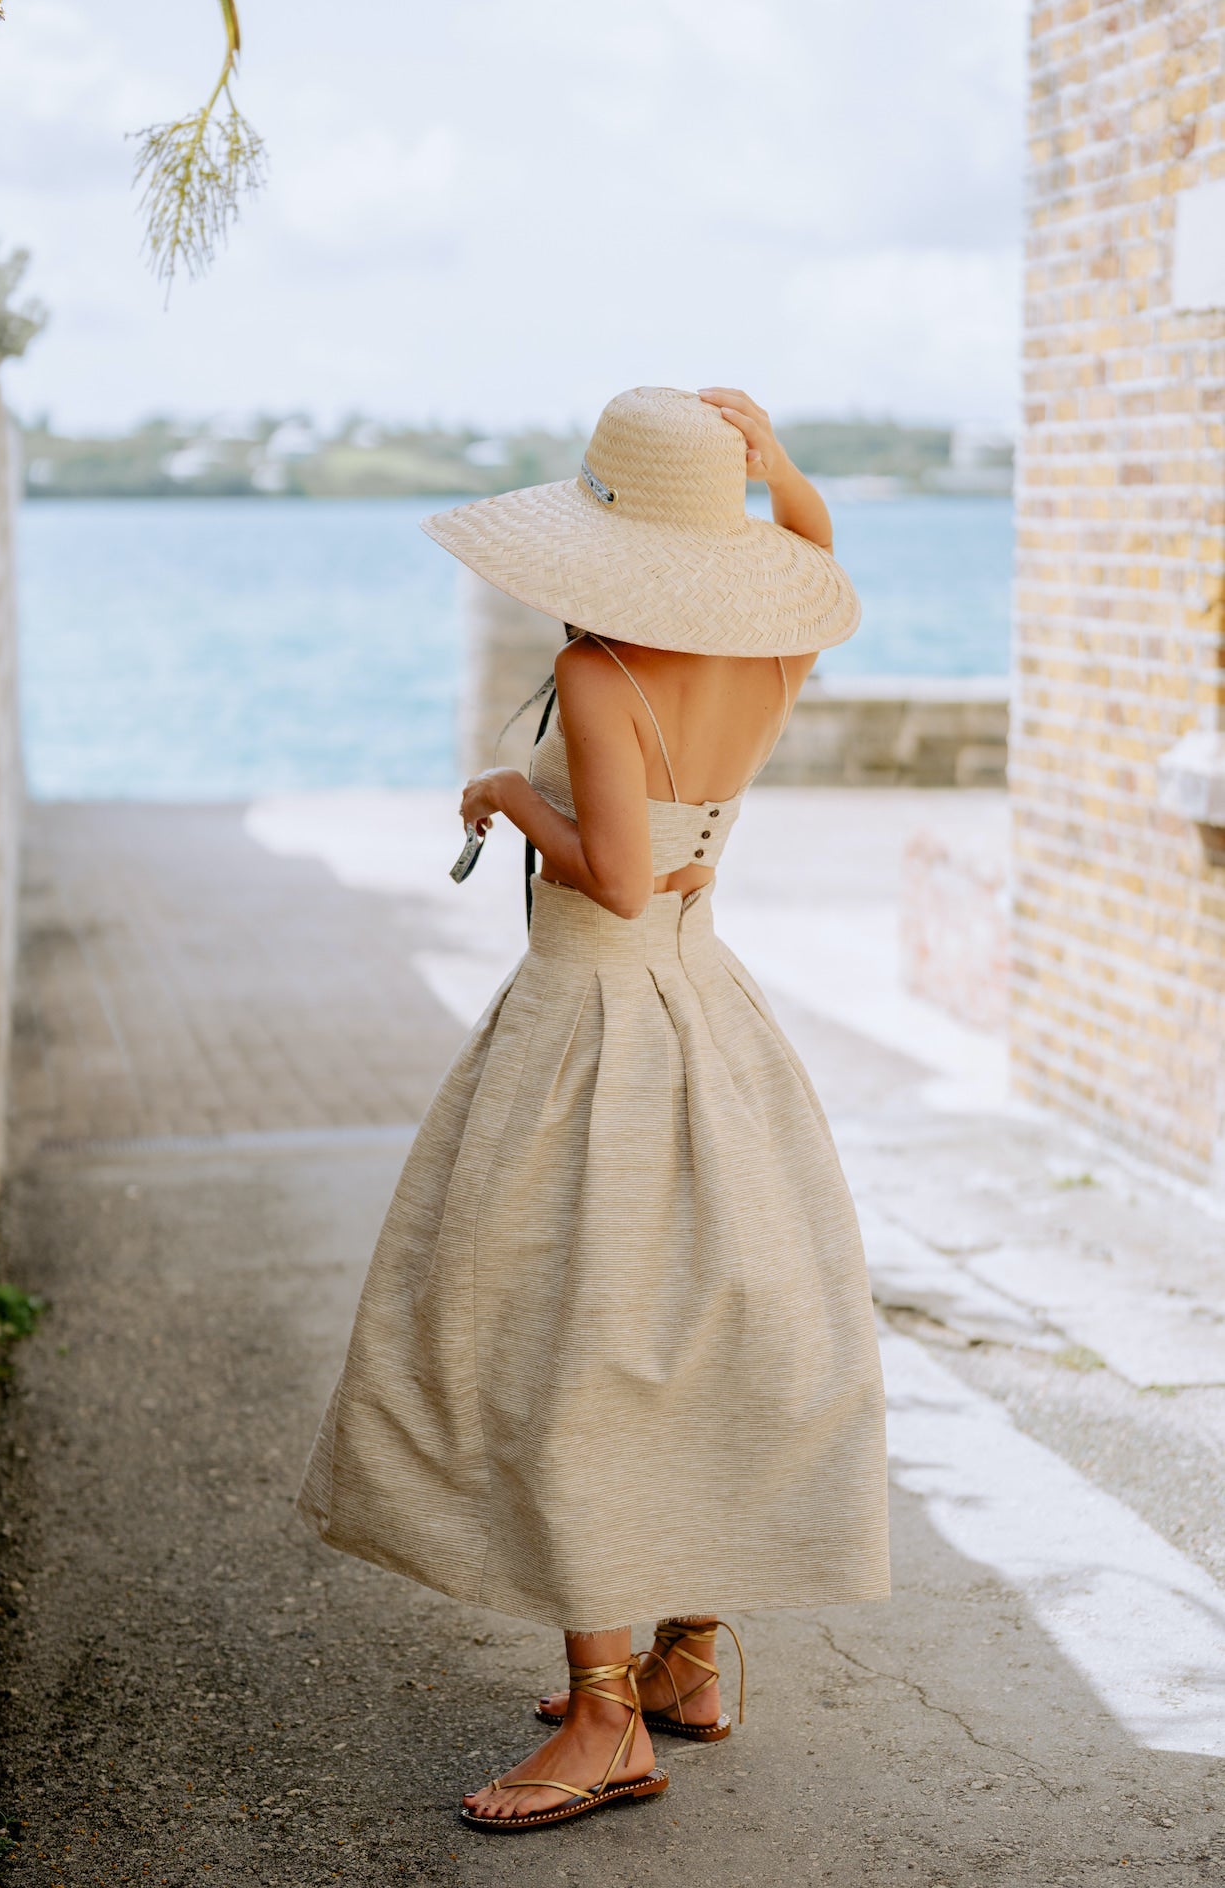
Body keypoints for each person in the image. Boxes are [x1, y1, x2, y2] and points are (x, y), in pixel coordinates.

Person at [297, 384, 889, 1833]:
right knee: (678, 1334)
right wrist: (787, 473)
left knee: (567, 1340)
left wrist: (510, 789)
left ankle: (610, 1721)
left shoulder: (604, 674)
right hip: (710, 1017)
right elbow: (821, 560)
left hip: (596, 1029)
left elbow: (615, 877)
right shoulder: (776, 645)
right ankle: (686, 1657)